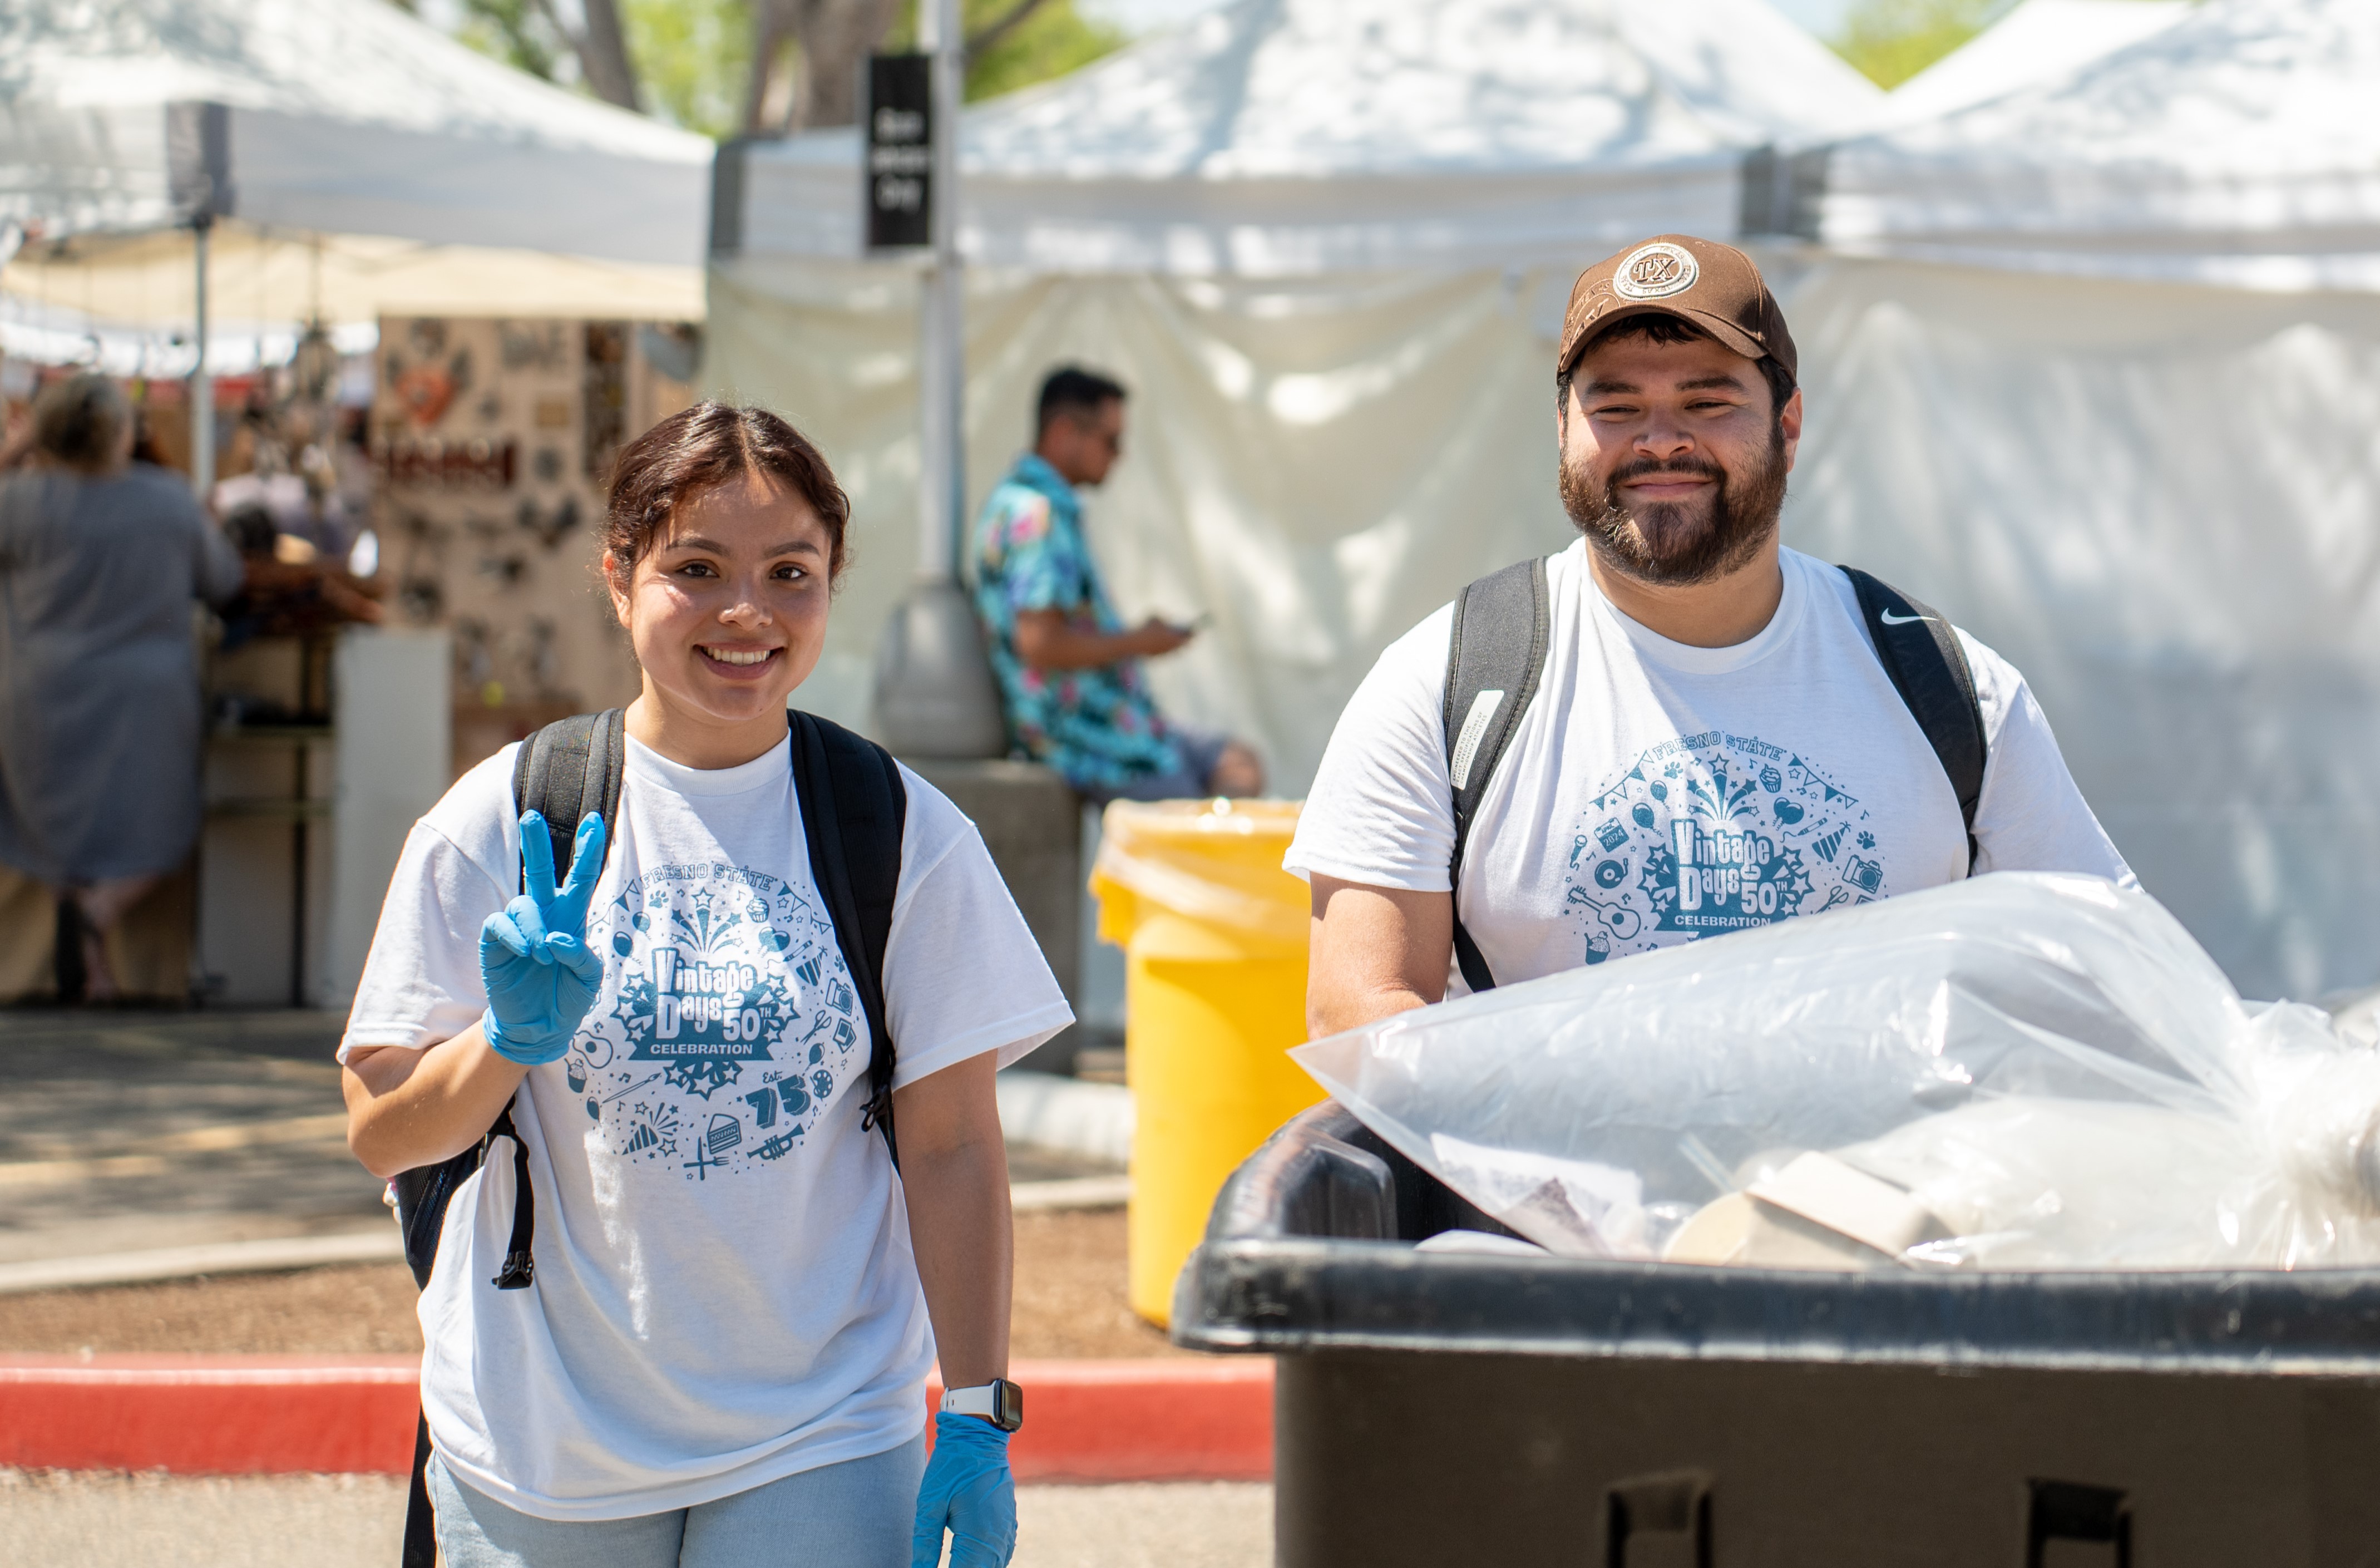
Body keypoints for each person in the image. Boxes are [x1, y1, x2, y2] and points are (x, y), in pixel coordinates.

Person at [339, 403, 1071, 1566]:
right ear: (620, 575)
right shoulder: (506, 817)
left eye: (791, 572)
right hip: (538, 1444)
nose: (748, 612)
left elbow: (952, 1148)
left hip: (818, 1435)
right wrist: (508, 1041)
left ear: (834, 583)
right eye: (696, 567)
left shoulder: (901, 834)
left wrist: (979, 1410)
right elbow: (383, 1133)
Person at [1289, 234, 2132, 1034]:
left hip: (1871, 1190)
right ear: (1562, 431)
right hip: (1548, 1193)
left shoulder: (1946, 686)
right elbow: (1356, 1012)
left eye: (1707, 400)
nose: (1660, 440)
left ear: (1789, 425)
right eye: (1616, 405)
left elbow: (2100, 979)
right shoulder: (1445, 683)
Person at [0, 373, 244, 999]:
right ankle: (99, 915)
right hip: (147, 700)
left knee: (48, 831)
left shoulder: (20, 499)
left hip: (40, 693)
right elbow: (223, 580)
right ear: (120, 432)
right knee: (160, 827)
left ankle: (90, 951)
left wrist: (19, 447)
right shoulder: (167, 499)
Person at [971, 365, 1264, 803]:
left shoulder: (1033, 505)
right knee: (1189, 812)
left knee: (1238, 764)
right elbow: (1039, 643)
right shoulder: (1035, 515)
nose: (1119, 455)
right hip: (1083, 741)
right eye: (1110, 441)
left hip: (1116, 728)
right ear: (1064, 431)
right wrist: (1138, 641)